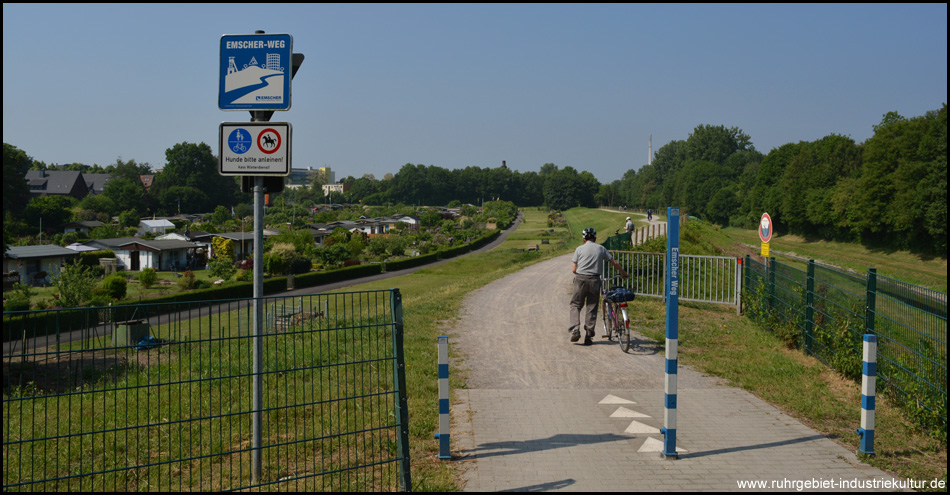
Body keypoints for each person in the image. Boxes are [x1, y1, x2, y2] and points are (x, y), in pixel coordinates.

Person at [569, 227, 628, 346]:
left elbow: (574, 269)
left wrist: (582, 274)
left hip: (580, 279)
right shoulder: (601, 248)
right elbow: (613, 262)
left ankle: (575, 329)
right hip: (595, 280)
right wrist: (623, 273)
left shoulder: (579, 249)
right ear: (595, 238)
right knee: (591, 307)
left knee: (575, 304)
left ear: (583, 238)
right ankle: (589, 336)